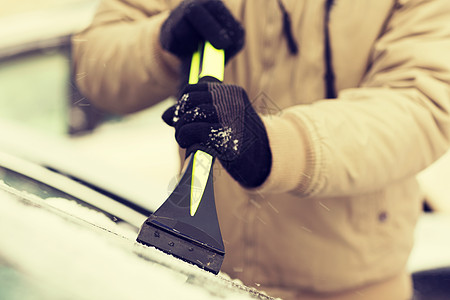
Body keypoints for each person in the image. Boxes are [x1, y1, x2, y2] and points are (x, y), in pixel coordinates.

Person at [71, 0, 450, 299]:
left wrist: (277, 147)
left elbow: (423, 103)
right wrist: (159, 42)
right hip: (199, 278)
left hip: (352, 290)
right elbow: (93, 70)